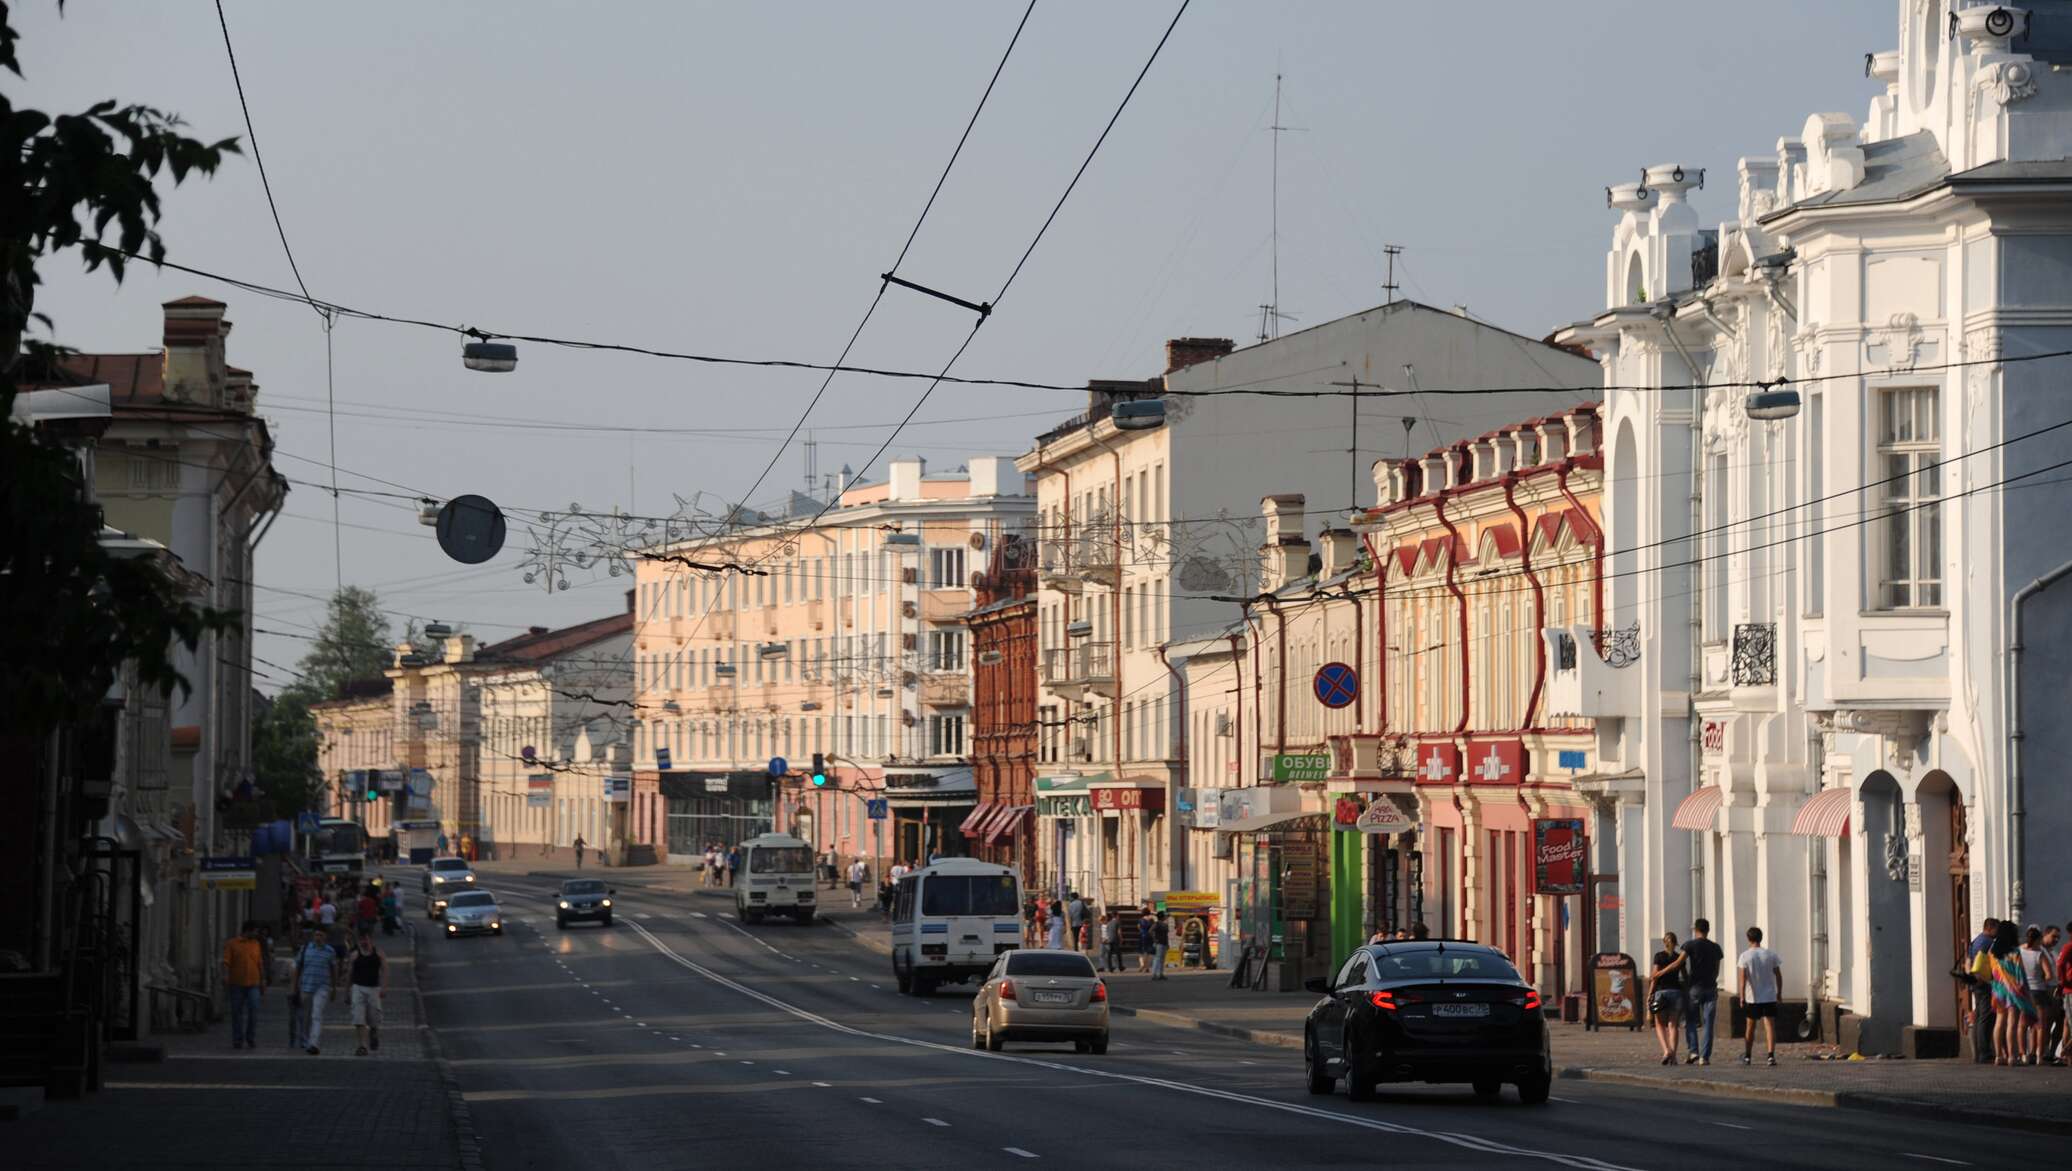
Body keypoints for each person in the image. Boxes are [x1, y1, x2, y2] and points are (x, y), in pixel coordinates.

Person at [1987, 919, 2033, 1065]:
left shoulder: (1992, 952)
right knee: (2012, 1024)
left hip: (1998, 991)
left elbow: (1991, 972)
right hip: (2013, 991)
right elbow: (2020, 974)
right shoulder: (2015, 952)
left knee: (1999, 1022)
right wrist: (2025, 991)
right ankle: (2012, 1057)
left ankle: (1998, 1056)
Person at [1680, 918, 1725, 1065]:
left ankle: (1693, 1051)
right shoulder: (1716, 947)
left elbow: (1680, 962)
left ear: (1695, 929)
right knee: (1708, 1023)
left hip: (1694, 987)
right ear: (1708, 930)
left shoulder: (1690, 945)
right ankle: (1704, 1057)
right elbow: (1717, 970)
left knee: (1691, 1020)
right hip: (1711, 987)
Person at [1737, 925, 1782, 1067]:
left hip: (1753, 997)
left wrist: (1742, 996)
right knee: (1770, 1025)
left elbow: (1743, 978)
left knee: (1750, 1026)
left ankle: (1748, 1056)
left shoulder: (1745, 956)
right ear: (1761, 938)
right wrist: (1779, 993)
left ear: (1748, 939)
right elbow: (1778, 975)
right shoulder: (1770, 954)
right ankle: (1770, 1056)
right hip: (1769, 996)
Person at [221, 920, 267, 1051]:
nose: (257, 934)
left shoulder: (256, 944)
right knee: (236, 1013)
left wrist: (263, 980)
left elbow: (260, 963)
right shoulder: (232, 944)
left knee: (254, 1010)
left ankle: (250, 1038)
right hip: (237, 983)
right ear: (248, 931)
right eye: (255, 931)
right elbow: (226, 962)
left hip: (254, 983)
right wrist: (225, 975)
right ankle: (237, 1039)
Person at [295, 925, 340, 1055]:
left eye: (321, 935)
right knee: (306, 1016)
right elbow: (298, 967)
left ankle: (314, 1043)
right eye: (316, 935)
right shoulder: (305, 949)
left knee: (317, 1015)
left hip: (322, 987)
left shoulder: (330, 951)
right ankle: (305, 1039)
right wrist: (295, 986)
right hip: (306, 986)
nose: (318, 937)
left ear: (326, 937)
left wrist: (334, 988)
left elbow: (333, 970)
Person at [2019, 924, 2056, 1066]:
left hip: (2024, 991)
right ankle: (2039, 1056)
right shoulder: (2039, 954)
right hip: (2038, 991)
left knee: (2022, 1025)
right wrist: (2042, 981)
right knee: (2040, 1025)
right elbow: (2049, 975)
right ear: (2038, 939)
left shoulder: (2019, 952)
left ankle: (2023, 1054)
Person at [1648, 931, 1687, 1065]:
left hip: (1661, 992)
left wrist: (1649, 994)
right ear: (1676, 943)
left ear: (1664, 942)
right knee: (1673, 1025)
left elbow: (1654, 977)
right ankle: (1674, 1056)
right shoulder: (1679, 957)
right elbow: (1685, 977)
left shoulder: (1659, 956)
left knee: (1659, 1024)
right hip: (1676, 992)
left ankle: (1666, 1051)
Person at [1969, 916, 2002, 1062]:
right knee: (1985, 1017)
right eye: (1997, 929)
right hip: (1984, 982)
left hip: (1976, 982)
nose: (1998, 932)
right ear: (1990, 928)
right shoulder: (1988, 942)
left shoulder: (1976, 940)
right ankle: (1984, 1052)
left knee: (1979, 1016)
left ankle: (1978, 1052)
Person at [348, 932, 386, 1056]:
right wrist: (346, 991)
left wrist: (384, 987)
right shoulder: (354, 955)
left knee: (373, 1017)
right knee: (359, 1017)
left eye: (366, 939)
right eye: (361, 940)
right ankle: (362, 1046)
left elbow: (385, 970)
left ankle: (373, 1031)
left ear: (371, 940)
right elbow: (350, 974)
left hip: (373, 989)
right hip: (358, 987)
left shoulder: (379, 954)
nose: (364, 942)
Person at [1150, 912, 1171, 981]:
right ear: (1162, 917)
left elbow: (1150, 931)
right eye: (1164, 916)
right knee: (1158, 959)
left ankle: (1160, 974)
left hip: (1161, 943)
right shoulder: (1159, 924)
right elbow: (1150, 931)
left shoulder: (1159, 924)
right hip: (1160, 943)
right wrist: (1155, 939)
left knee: (1160, 959)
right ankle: (1155, 974)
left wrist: (1154, 938)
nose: (1165, 917)